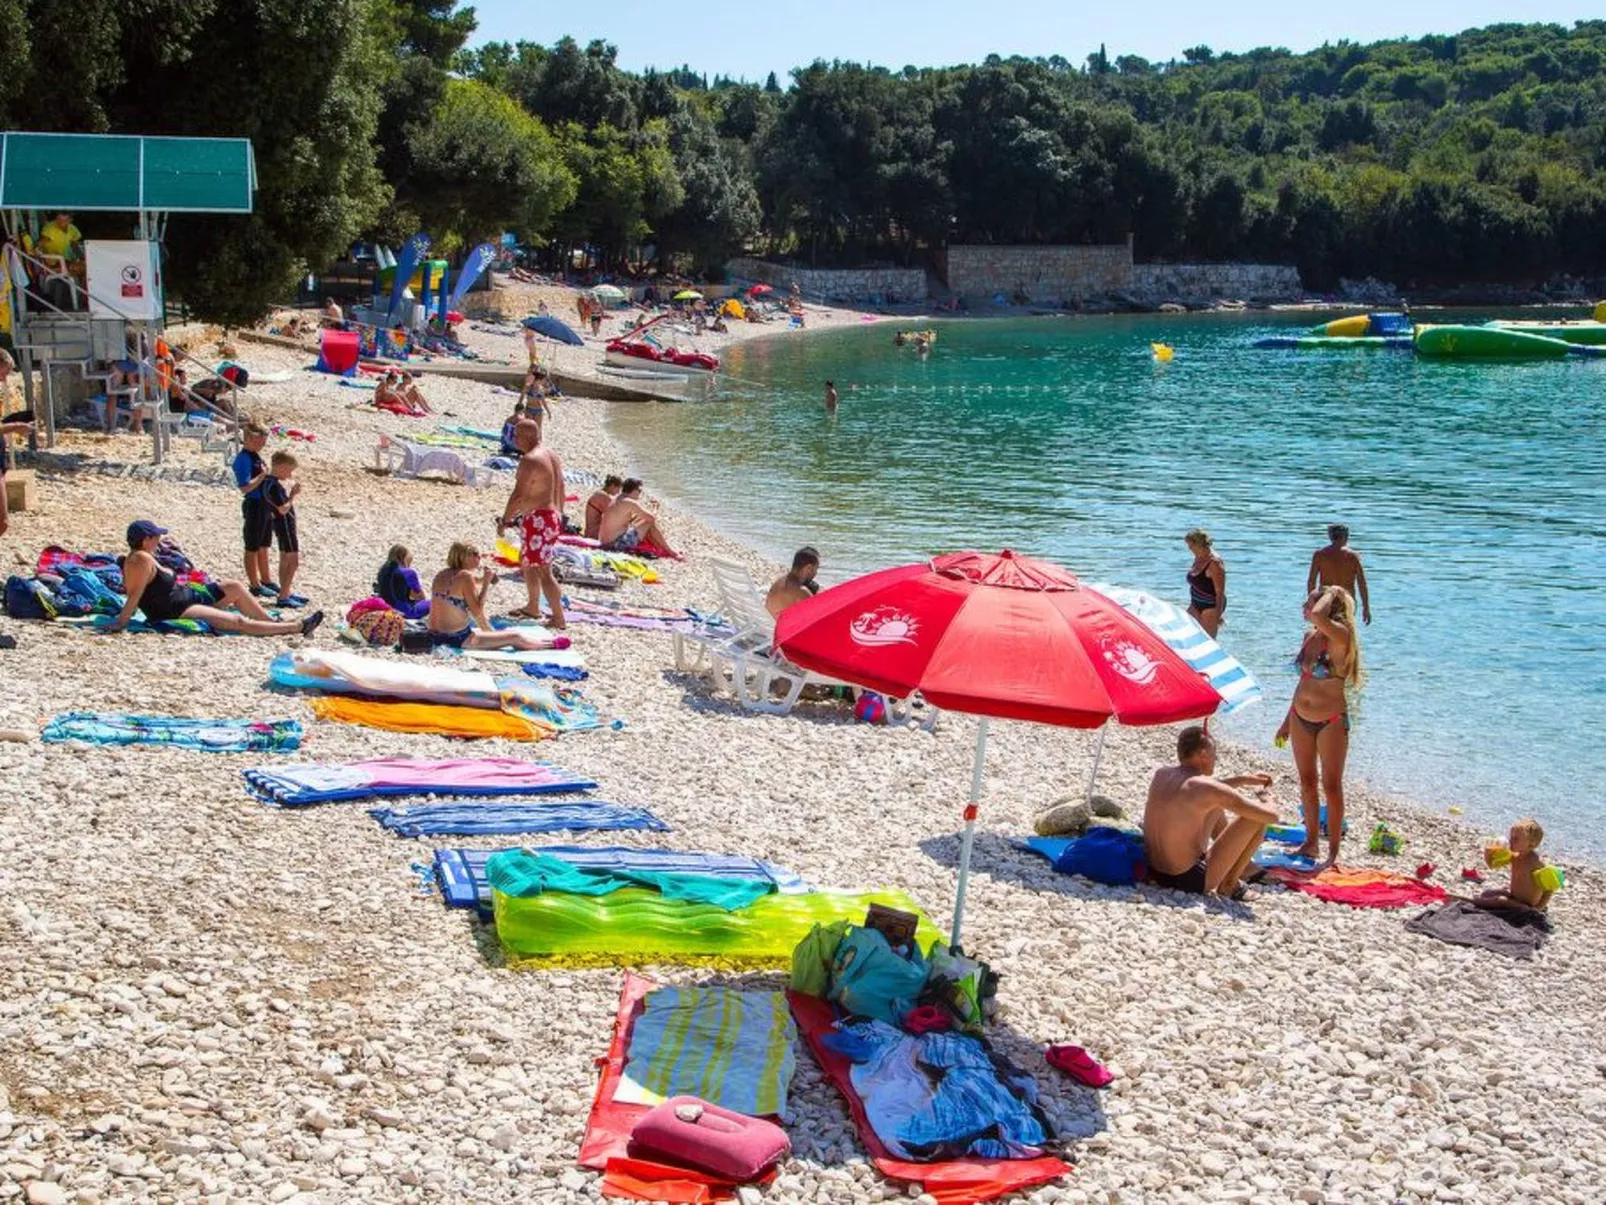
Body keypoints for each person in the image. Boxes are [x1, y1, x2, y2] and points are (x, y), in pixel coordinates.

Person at [107, 520, 322, 637]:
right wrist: (121, 622)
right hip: (175, 609)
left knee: (233, 586)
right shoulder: (139, 560)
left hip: (185, 596)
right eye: (156, 536)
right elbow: (135, 594)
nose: (159, 540)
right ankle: (297, 627)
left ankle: (271, 624)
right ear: (146, 539)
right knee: (238, 622)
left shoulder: (144, 556)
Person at [1274, 586, 1362, 865]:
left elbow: (1319, 616)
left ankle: (1333, 851)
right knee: (1307, 781)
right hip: (1300, 717)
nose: (1305, 607)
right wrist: (1286, 721)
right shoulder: (1310, 636)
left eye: (1310, 602)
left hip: (1331, 721)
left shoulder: (1342, 636)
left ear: (1326, 607)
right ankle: (1311, 844)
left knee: (1332, 786)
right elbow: (1303, 682)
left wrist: (1333, 592)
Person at [1142, 726, 1279, 898]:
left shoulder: (1162, 774)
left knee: (1214, 804)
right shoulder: (1206, 788)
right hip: (1190, 878)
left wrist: (1243, 780)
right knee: (1257, 816)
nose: (1216, 758)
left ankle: (1244, 868)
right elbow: (1272, 816)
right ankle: (1229, 883)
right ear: (1203, 754)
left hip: (1156, 872)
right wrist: (1268, 798)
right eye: (1215, 753)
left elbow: (1204, 791)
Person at [497, 418, 566, 628]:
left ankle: (558, 617)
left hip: (539, 519)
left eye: (516, 434)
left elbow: (518, 495)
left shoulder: (530, 459)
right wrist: (559, 515)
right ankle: (533, 606)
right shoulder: (550, 454)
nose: (513, 438)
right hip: (549, 516)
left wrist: (505, 520)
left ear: (527, 436)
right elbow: (561, 487)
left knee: (544, 570)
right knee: (527, 562)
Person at [427, 542, 559, 650]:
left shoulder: (441, 575)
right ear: (465, 557)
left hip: (434, 636)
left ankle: (491, 633)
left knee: (484, 625)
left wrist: (484, 579)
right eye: (475, 554)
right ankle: (551, 645)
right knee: (515, 637)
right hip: (456, 638)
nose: (479, 557)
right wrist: (486, 585)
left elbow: (463, 586)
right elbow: (477, 611)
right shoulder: (465, 577)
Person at [232, 424, 276, 595]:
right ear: (248, 439)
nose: (261, 446)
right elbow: (245, 487)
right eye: (259, 442)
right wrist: (262, 476)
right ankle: (254, 584)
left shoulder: (255, 456)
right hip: (254, 504)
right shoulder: (243, 458)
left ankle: (266, 579)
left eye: (263, 443)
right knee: (252, 546)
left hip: (264, 503)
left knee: (264, 544)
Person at [1477, 818, 1555, 913]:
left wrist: (1539, 908)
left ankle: (1473, 902)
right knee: (1486, 894)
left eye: (1516, 839)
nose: (1510, 841)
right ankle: (1484, 902)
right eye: (1511, 837)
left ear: (1531, 844)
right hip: (1514, 897)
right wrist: (1488, 852)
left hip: (1527, 905)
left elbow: (1549, 889)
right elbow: (1491, 864)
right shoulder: (1514, 856)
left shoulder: (1535, 862)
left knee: (1501, 900)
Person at [1307, 524, 1371, 625]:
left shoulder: (1320, 555)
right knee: (1345, 631)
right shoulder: (1353, 556)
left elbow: (1311, 581)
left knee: (1323, 630)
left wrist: (1312, 603)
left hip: (1325, 600)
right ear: (1346, 536)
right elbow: (1362, 584)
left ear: (1330, 536)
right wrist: (1366, 608)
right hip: (1346, 600)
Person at [265, 451, 303, 607]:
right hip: (284, 524)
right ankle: (283, 596)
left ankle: (285, 591)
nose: (289, 475)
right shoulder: (273, 486)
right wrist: (292, 495)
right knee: (293, 561)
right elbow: (282, 509)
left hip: (280, 524)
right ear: (281, 467)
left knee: (284, 559)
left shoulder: (268, 483)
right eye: (289, 470)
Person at [598, 478, 675, 556]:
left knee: (642, 521)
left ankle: (661, 547)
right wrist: (655, 507)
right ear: (634, 490)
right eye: (639, 491)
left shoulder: (617, 499)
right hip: (615, 545)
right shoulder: (629, 502)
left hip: (604, 541)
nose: (640, 493)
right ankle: (670, 551)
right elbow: (652, 518)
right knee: (649, 522)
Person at [1184, 528, 1227, 638]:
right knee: (1186, 635)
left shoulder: (1215, 563)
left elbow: (1220, 592)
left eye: (1190, 545)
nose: (1189, 548)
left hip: (1210, 606)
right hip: (1195, 604)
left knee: (1207, 641)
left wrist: (1218, 615)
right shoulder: (1198, 557)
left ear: (1198, 544)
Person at [375, 544, 430, 619]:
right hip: (404, 612)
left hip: (385, 608)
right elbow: (420, 595)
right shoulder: (408, 572)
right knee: (433, 603)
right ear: (403, 557)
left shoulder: (383, 570)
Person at [767, 547, 820, 618]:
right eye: (816, 568)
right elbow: (816, 617)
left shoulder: (779, 582)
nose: (816, 573)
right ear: (809, 568)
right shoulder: (801, 591)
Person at [583, 475, 623, 540]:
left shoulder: (599, 493)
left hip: (590, 532)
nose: (618, 492)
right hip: (593, 534)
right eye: (618, 489)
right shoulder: (603, 496)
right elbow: (615, 515)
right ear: (612, 486)